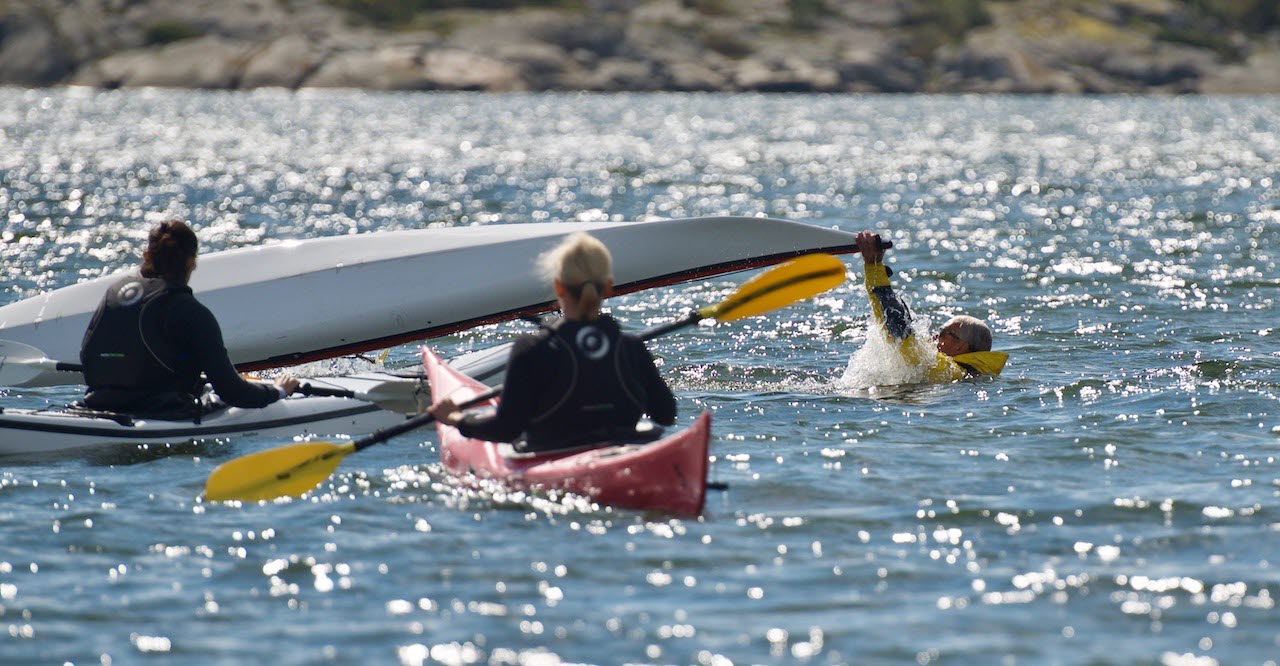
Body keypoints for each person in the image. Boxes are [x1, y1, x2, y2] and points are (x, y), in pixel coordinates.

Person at [428, 232, 676, 452]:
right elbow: (666, 415)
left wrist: (457, 419)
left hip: (552, 457)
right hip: (624, 450)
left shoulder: (533, 349)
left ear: (558, 286)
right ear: (609, 287)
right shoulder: (630, 347)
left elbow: (506, 430)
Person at [79, 220, 299, 419]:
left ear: (146, 255)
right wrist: (277, 391)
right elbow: (233, 393)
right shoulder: (191, 311)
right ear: (192, 262)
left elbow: (87, 356)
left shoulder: (115, 292)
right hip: (161, 411)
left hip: (97, 404)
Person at [856, 230, 1007, 381]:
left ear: (961, 347)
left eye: (943, 333)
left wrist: (873, 266)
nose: (934, 336)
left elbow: (901, 334)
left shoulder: (948, 371)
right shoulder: (958, 375)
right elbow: (895, 330)